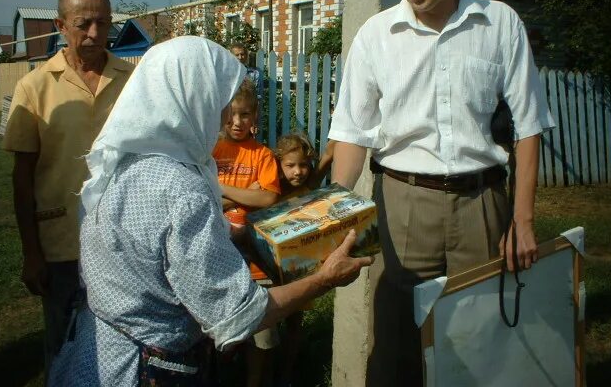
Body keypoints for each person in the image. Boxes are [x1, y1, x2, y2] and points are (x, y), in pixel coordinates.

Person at [47, 36, 372, 386]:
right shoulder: (180, 189)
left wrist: (230, 234)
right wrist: (324, 279)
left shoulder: (120, 164)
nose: (222, 113)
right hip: (143, 370)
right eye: (219, 99)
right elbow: (239, 315)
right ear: (195, 97)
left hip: (94, 354)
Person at [327, 0, 555, 385]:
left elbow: (528, 127)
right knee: (396, 342)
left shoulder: (500, 25)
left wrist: (523, 220)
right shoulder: (376, 36)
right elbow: (351, 132)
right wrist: (332, 221)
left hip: (482, 203)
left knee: (482, 333)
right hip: (403, 204)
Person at [2, 0, 134, 372]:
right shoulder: (35, 86)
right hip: (61, 243)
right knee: (63, 345)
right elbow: (21, 177)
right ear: (61, 25)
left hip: (121, 238)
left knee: (120, 345)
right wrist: (31, 252)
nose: (95, 33)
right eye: (84, 24)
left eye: (104, 23)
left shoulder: (131, 80)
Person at [213, 78, 281, 387]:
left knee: (261, 329)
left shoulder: (263, 155)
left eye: (245, 115)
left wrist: (222, 191)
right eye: (232, 114)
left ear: (255, 117)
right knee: (218, 326)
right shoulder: (211, 150)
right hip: (217, 252)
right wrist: (243, 192)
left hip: (255, 259)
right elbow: (203, 195)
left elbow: (268, 197)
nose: (237, 122)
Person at [273, 132, 335, 387]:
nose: (298, 171)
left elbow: (331, 152)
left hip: (299, 268)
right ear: (278, 164)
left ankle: (286, 373)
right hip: (271, 267)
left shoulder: (310, 186)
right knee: (268, 324)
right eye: (290, 165)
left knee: (294, 323)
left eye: (303, 165)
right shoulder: (271, 190)